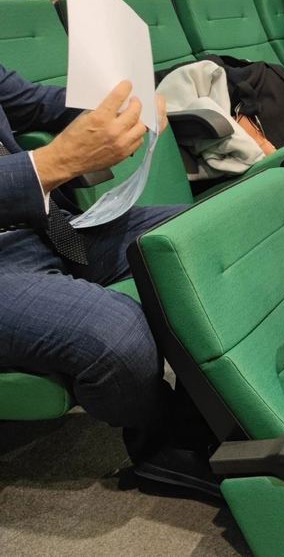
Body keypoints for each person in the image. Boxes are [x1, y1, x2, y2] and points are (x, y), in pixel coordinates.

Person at [0, 66, 217, 493]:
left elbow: (40, 104)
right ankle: (163, 444)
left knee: (209, 231)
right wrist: (52, 163)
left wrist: (125, 107)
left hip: (39, 226)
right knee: (116, 333)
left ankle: (222, 409)